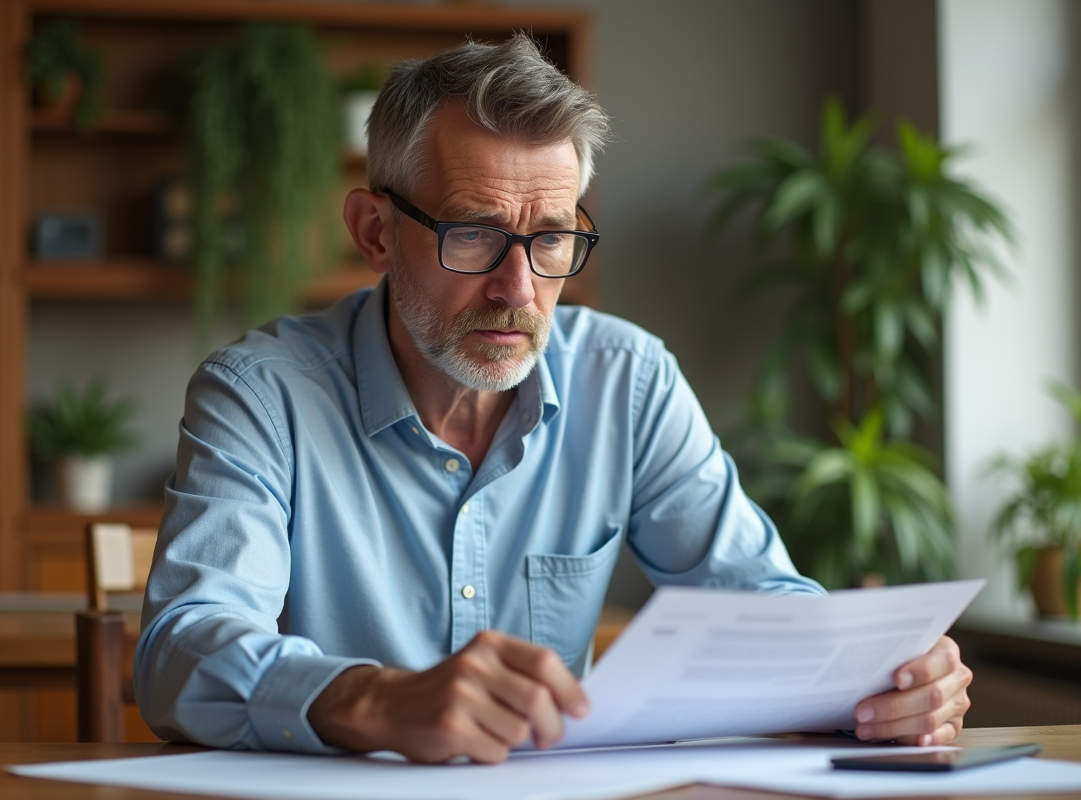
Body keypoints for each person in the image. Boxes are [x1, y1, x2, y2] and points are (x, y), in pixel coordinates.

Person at [134, 33, 972, 765]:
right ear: (375, 232)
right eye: (474, 234)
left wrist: (875, 677)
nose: (519, 289)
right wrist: (377, 699)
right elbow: (182, 649)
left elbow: (763, 606)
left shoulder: (628, 381)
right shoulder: (260, 396)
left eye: (553, 238)